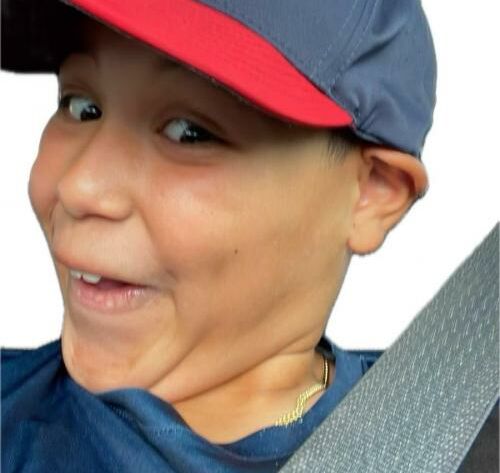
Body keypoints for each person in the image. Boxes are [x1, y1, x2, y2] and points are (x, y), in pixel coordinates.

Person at [1, 1, 497, 472]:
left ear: (371, 192)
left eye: (189, 132)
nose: (78, 186)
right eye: (81, 107)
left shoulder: (455, 438)